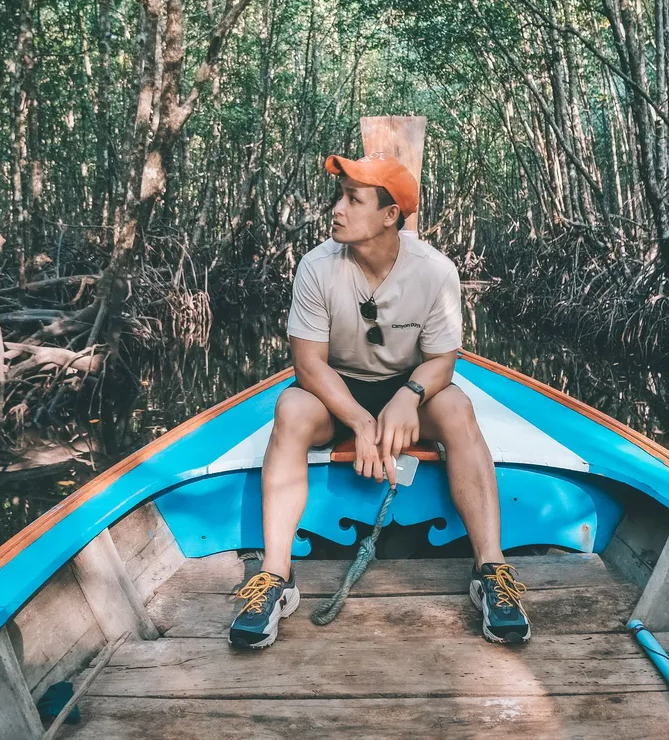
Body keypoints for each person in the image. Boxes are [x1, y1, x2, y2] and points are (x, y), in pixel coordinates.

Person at [227, 153, 531, 649]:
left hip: (407, 385)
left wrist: (409, 397)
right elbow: (308, 365)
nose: (337, 209)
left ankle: (491, 570)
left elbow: (442, 362)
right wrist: (361, 422)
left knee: (457, 409)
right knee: (290, 409)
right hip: (335, 388)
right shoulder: (317, 267)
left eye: (353, 200)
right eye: (339, 197)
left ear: (390, 215)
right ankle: (277, 578)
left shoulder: (435, 271)